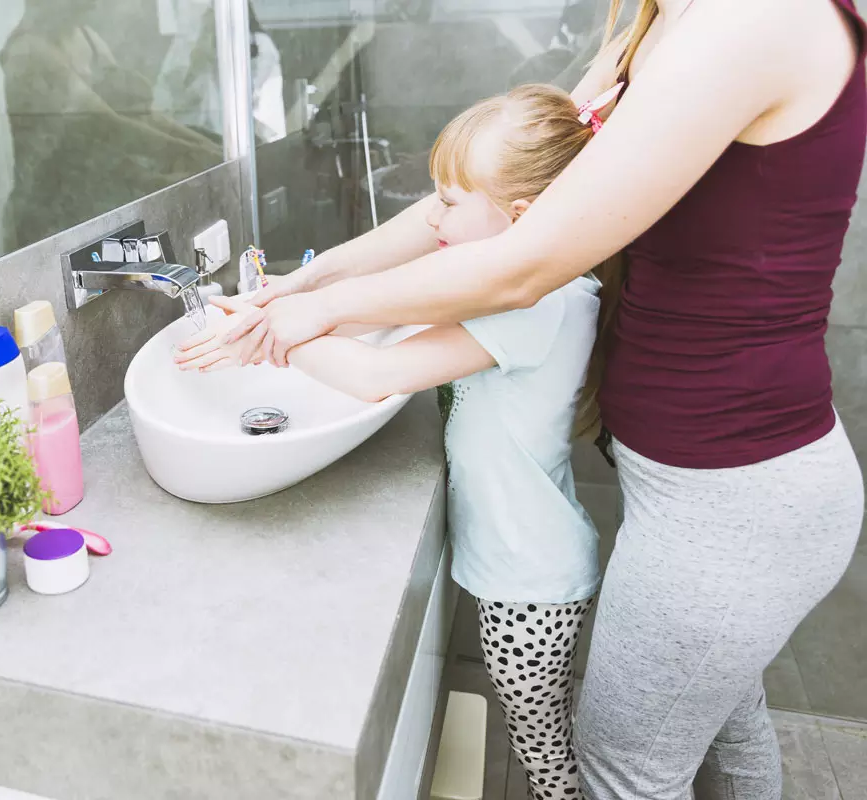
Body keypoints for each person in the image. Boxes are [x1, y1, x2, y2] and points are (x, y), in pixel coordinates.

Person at [189, 0, 867, 796]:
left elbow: (522, 260)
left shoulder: (755, 16)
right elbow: (496, 190)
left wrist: (310, 315)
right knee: (724, 714)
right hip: (702, 487)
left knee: (625, 772)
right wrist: (309, 282)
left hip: (736, 501)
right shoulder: (657, 23)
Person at [179, 84, 615, 800]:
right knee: (539, 734)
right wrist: (283, 305)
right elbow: (393, 322)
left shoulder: (539, 301)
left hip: (528, 581)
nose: (431, 215)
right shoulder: (531, 290)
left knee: (543, 753)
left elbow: (379, 372)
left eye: (448, 201)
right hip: (527, 562)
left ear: (522, 217)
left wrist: (269, 335)